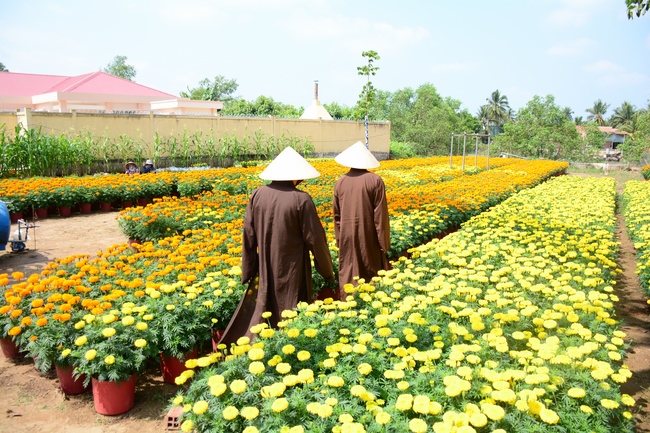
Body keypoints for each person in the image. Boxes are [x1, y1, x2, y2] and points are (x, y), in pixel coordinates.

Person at [219, 147, 335, 347]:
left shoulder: (257, 195)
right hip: (293, 270)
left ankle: (261, 348)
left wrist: (249, 269)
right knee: (292, 312)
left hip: (265, 266)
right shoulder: (301, 199)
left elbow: (248, 235)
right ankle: (287, 349)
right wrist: (327, 271)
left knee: (264, 309)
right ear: (296, 176)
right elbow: (316, 239)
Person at [333, 141, 390, 300]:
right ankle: (370, 306)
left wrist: (340, 240)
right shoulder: (375, 181)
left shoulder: (340, 183)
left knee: (350, 271)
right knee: (371, 270)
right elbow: (380, 216)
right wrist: (383, 243)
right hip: (368, 235)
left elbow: (337, 216)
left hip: (347, 236)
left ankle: (349, 302)